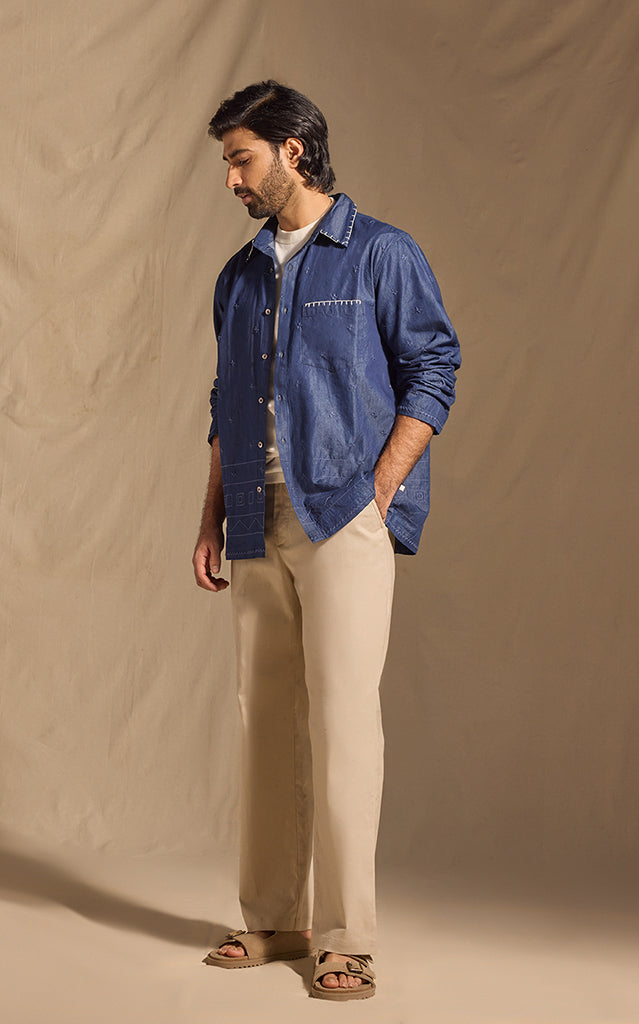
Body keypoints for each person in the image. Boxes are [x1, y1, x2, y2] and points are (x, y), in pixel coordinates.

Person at [192, 80, 460, 1001]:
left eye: (241, 159)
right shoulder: (237, 276)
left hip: (343, 512)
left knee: (343, 721)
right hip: (254, 513)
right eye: (228, 163)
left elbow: (434, 369)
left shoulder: (382, 252)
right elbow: (225, 402)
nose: (232, 179)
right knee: (263, 720)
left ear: (292, 151)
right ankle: (274, 918)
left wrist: (378, 493)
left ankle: (348, 936)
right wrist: (210, 515)